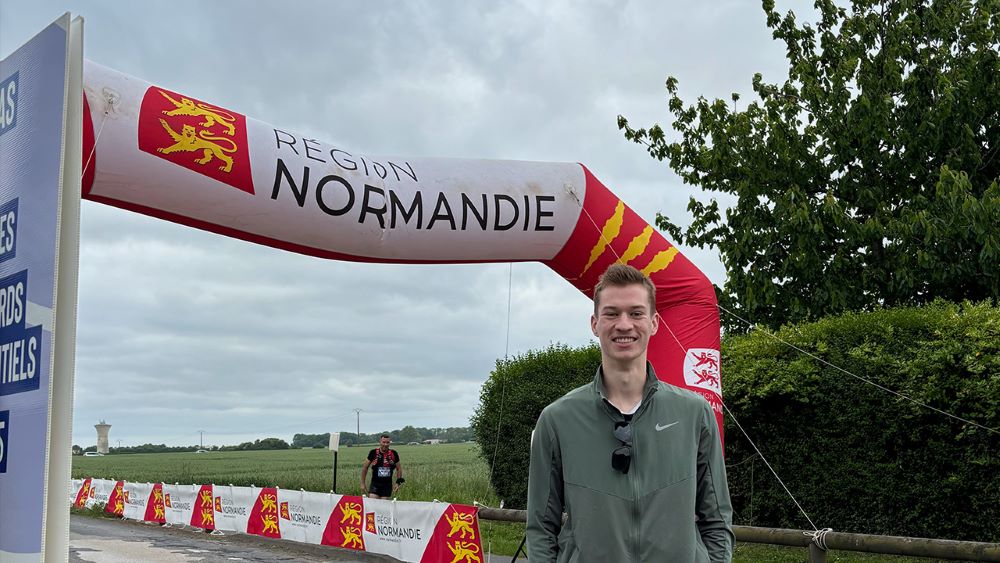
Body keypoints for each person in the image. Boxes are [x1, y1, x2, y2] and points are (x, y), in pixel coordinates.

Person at [526, 264, 734, 562]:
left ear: (654, 323)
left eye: (636, 313)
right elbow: (541, 528)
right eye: (612, 313)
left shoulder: (694, 413)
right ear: (595, 323)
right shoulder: (557, 420)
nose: (624, 324)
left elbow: (717, 518)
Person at [361, 434, 405, 499]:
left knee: (384, 505)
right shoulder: (373, 452)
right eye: (383, 442)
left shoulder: (394, 453)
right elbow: (365, 468)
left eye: (387, 442)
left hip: (387, 485)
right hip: (375, 483)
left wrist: (397, 483)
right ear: (380, 442)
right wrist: (362, 483)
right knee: (373, 503)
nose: (385, 444)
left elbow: (399, 469)